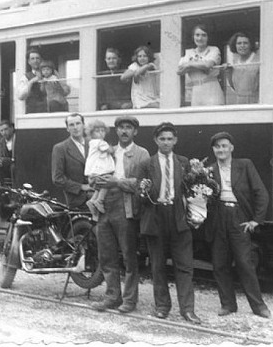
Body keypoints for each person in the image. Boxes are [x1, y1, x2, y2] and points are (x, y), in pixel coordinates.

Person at [139, 122, 201, 324]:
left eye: (169, 139)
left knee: (184, 265)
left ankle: (188, 310)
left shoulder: (183, 162)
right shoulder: (147, 164)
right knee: (157, 265)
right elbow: (138, 195)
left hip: (178, 215)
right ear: (156, 140)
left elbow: (193, 190)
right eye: (162, 139)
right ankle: (162, 307)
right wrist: (144, 191)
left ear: (175, 141)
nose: (166, 142)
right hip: (156, 215)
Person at [204, 131, 271, 319]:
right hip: (218, 218)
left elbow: (261, 193)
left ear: (231, 148)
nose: (221, 149)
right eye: (217, 146)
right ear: (213, 149)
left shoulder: (245, 165)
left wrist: (256, 220)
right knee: (219, 264)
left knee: (245, 262)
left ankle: (259, 306)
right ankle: (228, 304)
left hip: (238, 216)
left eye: (224, 146)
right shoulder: (208, 170)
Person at [92, 116, 150, 314]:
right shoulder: (107, 150)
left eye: (129, 128)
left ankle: (129, 300)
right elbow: (93, 176)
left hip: (126, 208)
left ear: (135, 132)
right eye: (121, 128)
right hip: (104, 207)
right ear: (116, 131)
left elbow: (142, 183)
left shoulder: (142, 154)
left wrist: (115, 182)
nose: (124, 131)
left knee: (128, 256)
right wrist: (96, 180)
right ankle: (111, 296)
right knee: (106, 255)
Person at [51, 113, 93, 210]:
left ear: (83, 125)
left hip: (97, 197)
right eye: (71, 125)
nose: (75, 127)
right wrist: (81, 187)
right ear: (67, 129)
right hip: (77, 200)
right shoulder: (60, 148)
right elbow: (57, 178)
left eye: (78, 123)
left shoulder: (93, 144)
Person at [177, 24, 224, 106]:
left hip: (212, 89)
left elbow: (208, 65)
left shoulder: (214, 50)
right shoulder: (189, 52)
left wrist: (189, 64)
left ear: (208, 37)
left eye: (204, 35)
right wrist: (198, 65)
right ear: (193, 37)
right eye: (197, 35)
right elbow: (179, 71)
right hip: (196, 91)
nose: (200, 38)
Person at [84, 119, 115, 216]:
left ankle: (93, 200)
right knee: (107, 183)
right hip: (99, 171)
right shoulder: (99, 142)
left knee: (99, 187)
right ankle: (99, 200)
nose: (101, 133)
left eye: (102, 131)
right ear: (91, 133)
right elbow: (110, 150)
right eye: (97, 131)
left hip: (94, 171)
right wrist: (113, 148)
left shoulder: (92, 143)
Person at [224, 32, 260, 105]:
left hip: (256, 102)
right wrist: (228, 71)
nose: (242, 46)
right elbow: (234, 86)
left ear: (250, 44)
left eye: (245, 43)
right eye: (239, 43)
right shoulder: (235, 62)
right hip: (239, 102)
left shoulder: (258, 60)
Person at [16, 47, 48, 113]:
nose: (35, 61)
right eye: (32, 59)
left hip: (48, 111)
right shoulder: (25, 77)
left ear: (41, 60)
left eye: (37, 58)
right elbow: (20, 96)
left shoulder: (49, 74)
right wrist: (31, 81)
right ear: (29, 62)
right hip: (33, 113)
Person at [0, 120, 16, 185]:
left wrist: (6, 160)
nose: (4, 132)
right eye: (1, 131)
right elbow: (0, 155)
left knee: (13, 167)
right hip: (7, 165)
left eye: (6, 129)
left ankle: (15, 192)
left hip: (17, 164)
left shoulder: (17, 139)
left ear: (12, 128)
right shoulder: (2, 141)